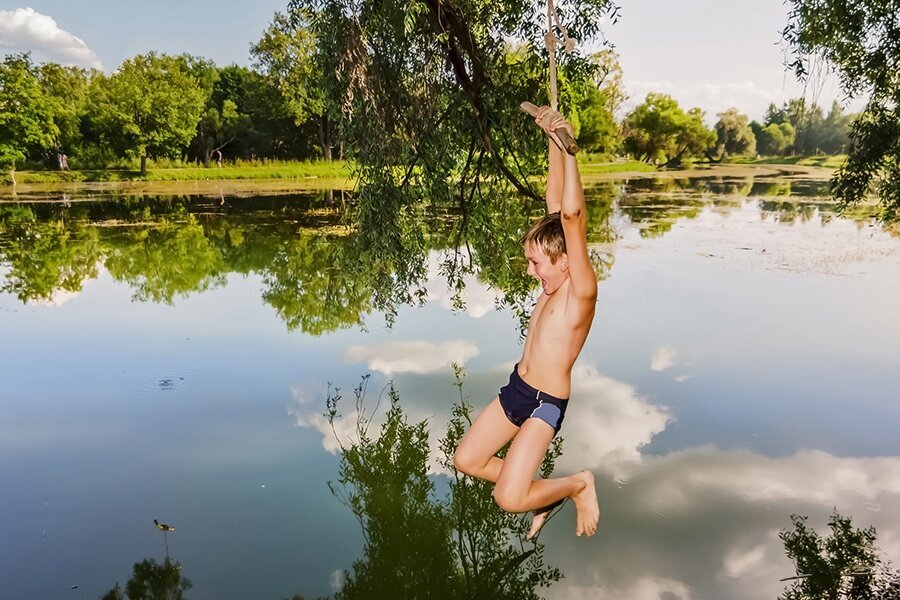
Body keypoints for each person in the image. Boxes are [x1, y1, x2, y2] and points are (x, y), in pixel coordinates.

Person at [453, 106, 600, 538]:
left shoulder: (581, 293)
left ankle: (577, 484)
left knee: (508, 498)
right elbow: (557, 206)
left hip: (545, 403)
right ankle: (545, 492)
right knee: (467, 460)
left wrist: (571, 148)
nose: (531, 272)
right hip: (517, 388)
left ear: (568, 261)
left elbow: (572, 217)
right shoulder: (558, 278)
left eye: (537, 263)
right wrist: (552, 138)